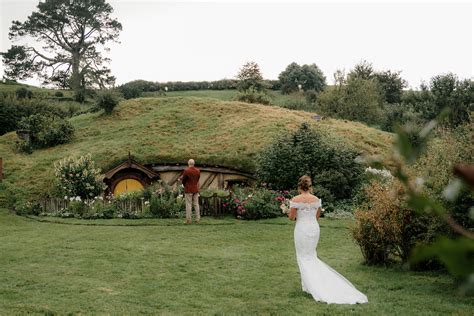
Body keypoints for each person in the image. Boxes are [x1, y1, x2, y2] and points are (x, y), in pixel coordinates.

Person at [288, 175, 368, 304]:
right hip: (314, 228)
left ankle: (311, 286)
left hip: (301, 229)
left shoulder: (296, 199)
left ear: (299, 186)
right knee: (311, 255)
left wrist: (289, 211)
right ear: (309, 186)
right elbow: (317, 216)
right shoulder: (316, 199)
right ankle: (308, 285)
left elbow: (291, 218)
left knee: (303, 256)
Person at [180, 159, 201, 224]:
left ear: (188, 163)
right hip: (195, 189)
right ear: (194, 163)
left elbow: (183, 180)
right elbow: (197, 179)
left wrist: (185, 185)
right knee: (196, 204)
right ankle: (198, 219)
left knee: (188, 205)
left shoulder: (186, 171)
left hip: (188, 189)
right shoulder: (198, 171)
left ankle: (188, 220)